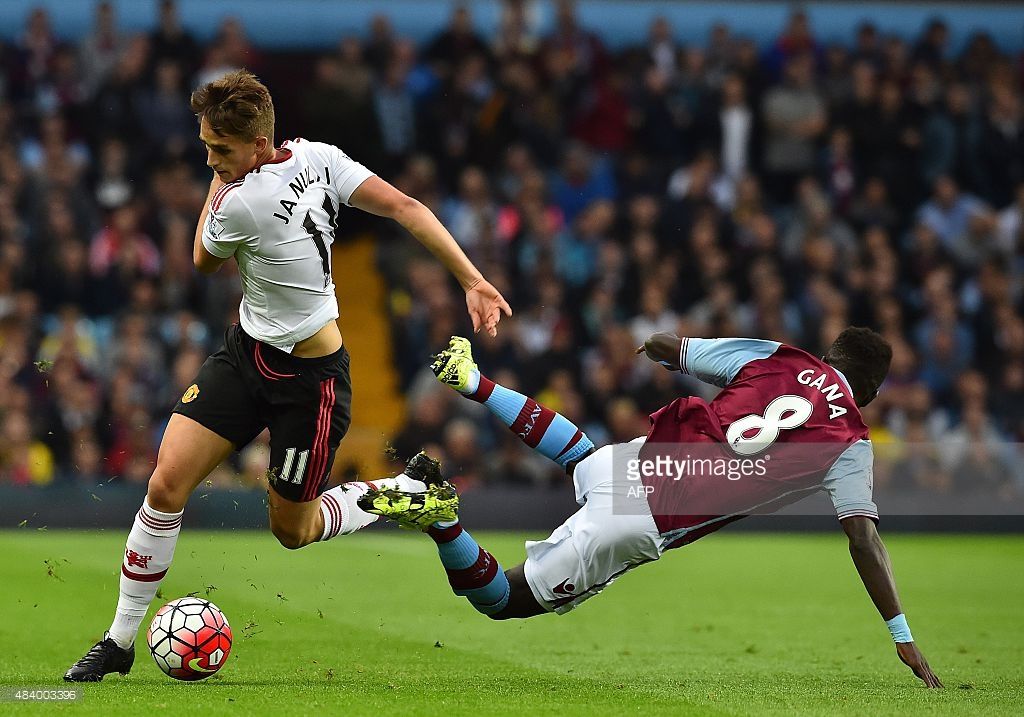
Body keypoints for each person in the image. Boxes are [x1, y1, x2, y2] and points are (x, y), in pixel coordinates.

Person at [64, 70, 510, 682]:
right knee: (166, 486)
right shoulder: (320, 157)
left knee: (292, 531)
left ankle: (400, 494)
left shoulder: (238, 199)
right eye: (206, 147)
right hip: (248, 354)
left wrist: (216, 187)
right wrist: (471, 277)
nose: (210, 158)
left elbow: (200, 261)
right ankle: (118, 641)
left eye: (220, 150)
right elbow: (404, 207)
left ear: (258, 144)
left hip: (312, 384)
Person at [362, 329, 943, 688]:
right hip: (646, 521)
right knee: (503, 602)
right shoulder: (851, 441)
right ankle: (440, 517)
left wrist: (656, 350)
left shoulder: (778, 356)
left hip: (648, 457)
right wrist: (900, 632)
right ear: (868, 392)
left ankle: (475, 381)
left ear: (828, 353)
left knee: (582, 455)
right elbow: (863, 539)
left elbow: (674, 347)